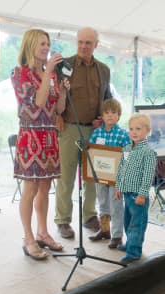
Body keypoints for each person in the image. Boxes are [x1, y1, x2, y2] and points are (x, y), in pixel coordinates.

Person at [11, 29, 70, 260]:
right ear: (30, 45)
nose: (46, 47)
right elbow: (38, 101)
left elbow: (58, 109)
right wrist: (49, 74)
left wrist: (63, 92)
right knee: (31, 188)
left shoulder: (51, 75)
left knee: (46, 187)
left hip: (49, 136)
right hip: (30, 137)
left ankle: (43, 232)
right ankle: (28, 237)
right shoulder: (20, 73)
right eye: (42, 44)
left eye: (48, 43)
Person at [55, 27, 112, 239]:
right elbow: (55, 95)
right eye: (80, 42)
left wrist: (104, 117)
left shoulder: (104, 70)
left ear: (96, 44)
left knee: (92, 178)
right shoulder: (64, 65)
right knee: (66, 177)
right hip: (70, 129)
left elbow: (107, 98)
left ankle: (89, 217)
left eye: (88, 42)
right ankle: (63, 221)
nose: (83, 46)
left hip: (95, 130)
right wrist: (56, 116)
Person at [88, 99, 131, 248]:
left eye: (113, 113)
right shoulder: (96, 133)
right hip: (100, 176)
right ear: (102, 115)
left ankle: (117, 236)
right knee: (102, 203)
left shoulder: (123, 134)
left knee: (116, 205)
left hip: (117, 178)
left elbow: (127, 155)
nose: (110, 116)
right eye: (107, 113)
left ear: (119, 115)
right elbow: (91, 151)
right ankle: (105, 230)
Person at [115, 114, 157, 265]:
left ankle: (134, 251)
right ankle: (129, 244)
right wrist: (119, 187)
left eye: (138, 129)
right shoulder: (126, 149)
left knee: (136, 224)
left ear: (147, 131)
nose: (134, 132)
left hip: (138, 196)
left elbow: (148, 176)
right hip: (127, 193)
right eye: (131, 129)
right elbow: (121, 169)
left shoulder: (149, 153)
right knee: (127, 222)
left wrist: (142, 194)